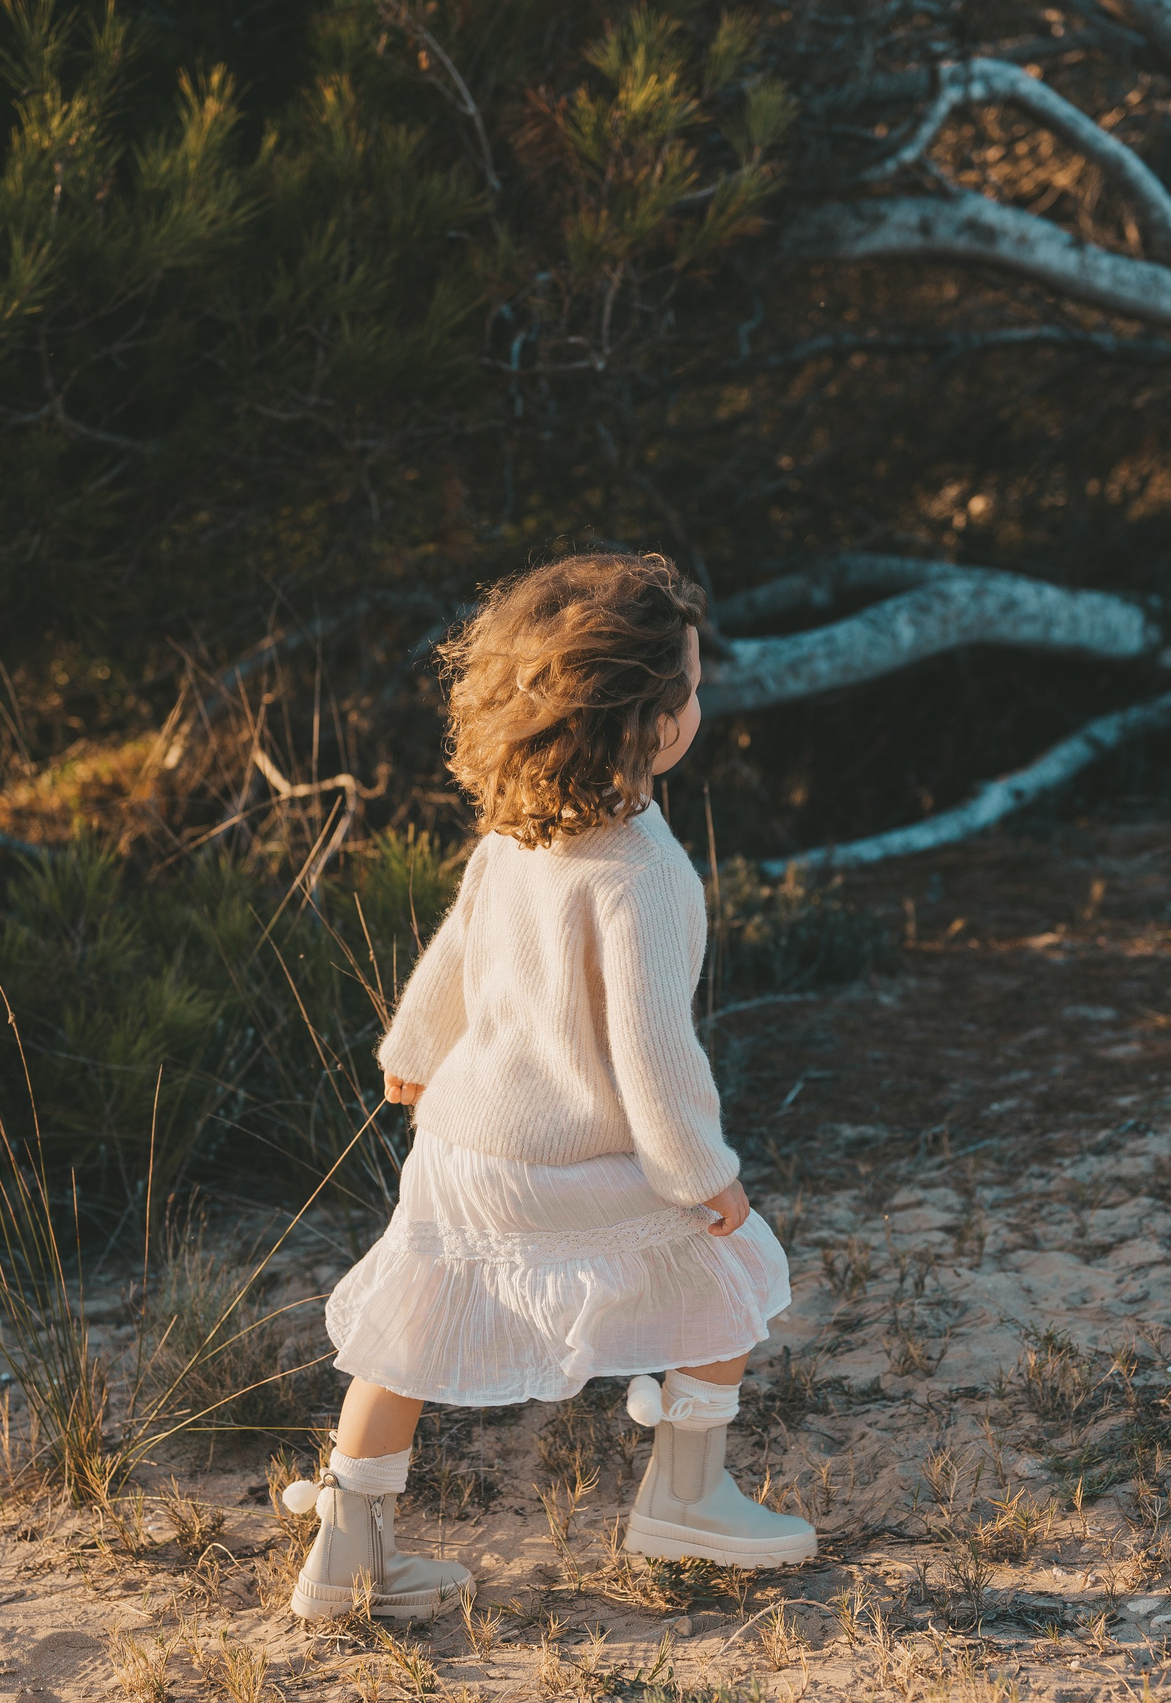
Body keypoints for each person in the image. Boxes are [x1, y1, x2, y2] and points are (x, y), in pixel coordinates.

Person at [278, 551, 813, 1621]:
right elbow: (654, 1052)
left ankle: (345, 1553)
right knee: (733, 1267)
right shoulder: (646, 871)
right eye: (688, 690)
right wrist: (702, 1173)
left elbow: (460, 951)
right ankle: (687, 1492)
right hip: (568, 1157)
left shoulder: (516, 831)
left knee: (409, 1328)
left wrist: (416, 1045)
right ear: (645, 723)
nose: (696, 705)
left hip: (462, 1146)